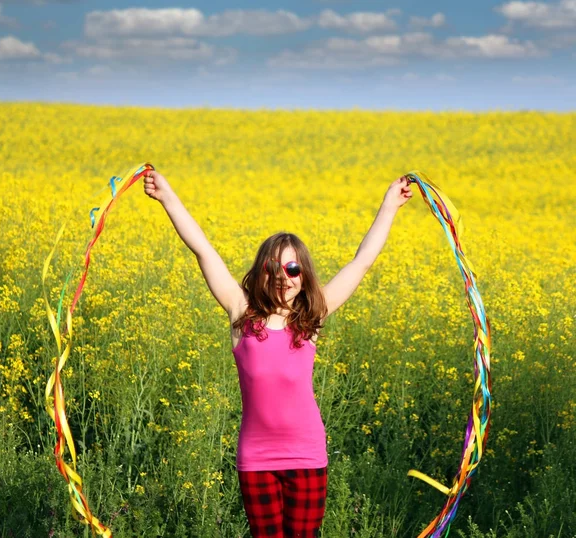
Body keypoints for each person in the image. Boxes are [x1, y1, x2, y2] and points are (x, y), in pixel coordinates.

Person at [143, 170, 413, 538]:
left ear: (303, 275)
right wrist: (168, 198)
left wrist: (389, 205)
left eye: (292, 268)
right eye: (274, 267)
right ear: (261, 272)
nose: (283, 276)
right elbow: (203, 249)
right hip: (256, 460)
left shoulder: (311, 320)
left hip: (307, 458)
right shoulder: (241, 314)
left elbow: (360, 262)